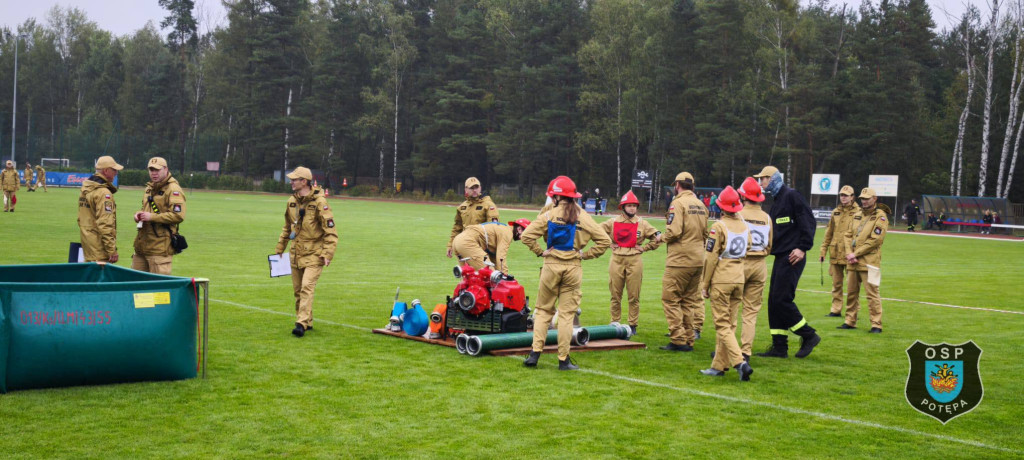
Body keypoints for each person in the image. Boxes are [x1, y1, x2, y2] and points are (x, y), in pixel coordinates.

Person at [521, 176, 611, 370]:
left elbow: (526, 236)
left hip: (551, 265)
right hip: (573, 267)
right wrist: (585, 255)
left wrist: (540, 251)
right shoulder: (583, 216)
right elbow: (605, 242)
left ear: (555, 197)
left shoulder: (548, 214)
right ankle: (563, 360)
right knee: (566, 315)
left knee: (544, 311)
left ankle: (534, 354)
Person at [754, 166, 821, 359]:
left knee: (782, 300)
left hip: (793, 256)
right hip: (781, 256)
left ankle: (809, 335)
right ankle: (779, 347)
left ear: (773, 178)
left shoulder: (792, 196)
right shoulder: (777, 201)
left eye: (764, 179)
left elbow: (808, 222)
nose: (761, 183)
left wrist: (802, 247)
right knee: (774, 301)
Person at [275, 166, 338, 338]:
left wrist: (327, 253)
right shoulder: (291, 202)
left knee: (306, 288)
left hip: (314, 253)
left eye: (294, 179)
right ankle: (307, 321)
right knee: (297, 290)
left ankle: (300, 323)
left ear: (304, 182)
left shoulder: (320, 203)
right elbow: (287, 227)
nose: (291, 182)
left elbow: (331, 231)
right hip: (295, 253)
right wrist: (280, 248)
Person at [699, 186, 755, 381]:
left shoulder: (718, 227)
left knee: (722, 324)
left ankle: (740, 363)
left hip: (722, 278)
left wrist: (705, 284)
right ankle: (718, 366)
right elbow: (748, 246)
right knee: (730, 324)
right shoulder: (743, 224)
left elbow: (710, 258)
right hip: (739, 276)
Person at [601, 190, 662, 335]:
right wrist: (609, 243)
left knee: (634, 295)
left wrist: (645, 248)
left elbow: (658, 237)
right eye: (629, 206)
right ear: (623, 207)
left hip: (635, 260)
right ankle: (615, 322)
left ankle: (632, 324)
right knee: (615, 294)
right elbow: (596, 231)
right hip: (616, 259)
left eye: (634, 206)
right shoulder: (613, 222)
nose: (632, 208)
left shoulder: (642, 223)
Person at [660, 172, 709, 352]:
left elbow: (674, 231)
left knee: (670, 299)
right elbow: (706, 234)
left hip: (680, 260)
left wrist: (660, 238)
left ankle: (678, 339)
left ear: (678, 185)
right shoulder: (701, 205)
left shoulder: (677, 203)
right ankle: (689, 339)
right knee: (689, 301)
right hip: (698, 259)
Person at [839, 188, 889, 333]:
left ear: (875, 198)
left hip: (870, 262)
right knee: (851, 293)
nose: (864, 201)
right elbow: (847, 235)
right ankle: (850, 321)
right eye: (862, 198)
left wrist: (855, 253)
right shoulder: (857, 215)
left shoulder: (881, 217)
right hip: (853, 262)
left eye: (867, 198)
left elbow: (876, 240)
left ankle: (876, 324)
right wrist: (849, 253)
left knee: (872, 293)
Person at [737, 177, 772, 360]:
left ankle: (728, 350)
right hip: (760, 265)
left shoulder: (739, 215)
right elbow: (769, 246)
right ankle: (746, 351)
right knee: (750, 313)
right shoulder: (766, 217)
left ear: (743, 197)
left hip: (740, 263)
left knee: (731, 308)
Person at [131, 157, 186, 275]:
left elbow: (178, 215)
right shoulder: (149, 188)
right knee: (136, 286)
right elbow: (146, 209)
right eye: (151, 170)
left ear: (166, 169)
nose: (153, 173)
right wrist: (139, 215)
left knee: (158, 289)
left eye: (157, 170)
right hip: (141, 247)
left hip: (159, 249)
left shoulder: (173, 189)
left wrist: (152, 217)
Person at [819, 185, 859, 318]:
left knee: (852, 285)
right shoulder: (835, 212)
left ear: (852, 197)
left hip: (850, 253)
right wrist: (823, 250)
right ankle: (835, 310)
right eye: (842, 195)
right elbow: (829, 233)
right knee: (836, 284)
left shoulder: (859, 212)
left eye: (846, 195)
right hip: (835, 252)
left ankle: (853, 311)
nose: (844, 197)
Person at [77, 156, 123, 262]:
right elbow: (105, 223)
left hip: (87, 244)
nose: (116, 173)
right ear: (106, 171)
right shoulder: (103, 193)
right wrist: (111, 249)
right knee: (100, 277)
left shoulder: (86, 189)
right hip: (99, 248)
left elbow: (80, 219)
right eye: (114, 170)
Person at [451, 219, 530, 273]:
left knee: (468, 277)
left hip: (458, 241)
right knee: (489, 274)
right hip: (467, 242)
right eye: (526, 233)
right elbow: (501, 258)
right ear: (519, 229)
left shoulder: (502, 228)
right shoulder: (507, 233)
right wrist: (504, 277)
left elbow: (494, 258)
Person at [447, 177, 499, 258]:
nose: (475, 190)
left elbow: (493, 228)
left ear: (480, 188)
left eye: (476, 187)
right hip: (465, 244)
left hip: (481, 247)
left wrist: (490, 249)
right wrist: (450, 245)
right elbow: (457, 227)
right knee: (466, 270)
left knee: (483, 270)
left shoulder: (488, 205)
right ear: (466, 189)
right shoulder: (462, 207)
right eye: (471, 188)